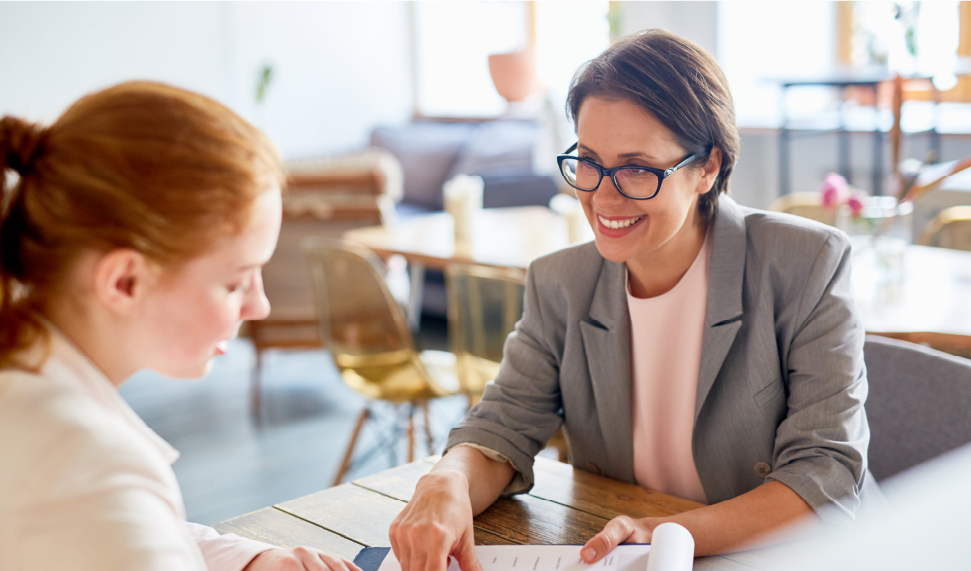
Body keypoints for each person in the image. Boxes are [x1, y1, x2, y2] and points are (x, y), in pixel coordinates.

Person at [389, 29, 877, 570]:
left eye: (637, 168)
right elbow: (501, 426)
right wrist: (448, 479)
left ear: (708, 168)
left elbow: (825, 478)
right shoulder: (562, 283)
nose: (601, 194)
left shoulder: (805, 263)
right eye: (589, 161)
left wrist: (666, 532)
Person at [0, 82, 361, 571]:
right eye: (236, 283)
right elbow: (105, 517)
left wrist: (248, 561)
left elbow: (125, 534)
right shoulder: (86, 467)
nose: (260, 306)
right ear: (125, 281)